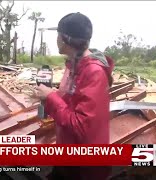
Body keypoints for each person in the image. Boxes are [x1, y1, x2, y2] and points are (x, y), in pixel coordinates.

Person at [34, 12, 114, 180]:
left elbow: (82, 127)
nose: (56, 39)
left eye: (58, 35)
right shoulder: (73, 66)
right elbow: (68, 105)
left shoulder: (94, 72)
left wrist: (50, 98)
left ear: (65, 39)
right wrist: (46, 97)